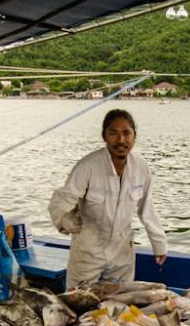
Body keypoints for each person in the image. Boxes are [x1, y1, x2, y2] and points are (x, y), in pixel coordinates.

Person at [48, 109, 167, 288]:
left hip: (122, 253)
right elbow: (62, 200)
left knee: (118, 307)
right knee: (79, 304)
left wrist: (159, 244)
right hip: (88, 253)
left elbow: (147, 208)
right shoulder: (88, 166)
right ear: (104, 136)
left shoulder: (141, 167)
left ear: (135, 136)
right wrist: (65, 219)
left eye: (127, 133)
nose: (121, 140)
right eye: (113, 133)